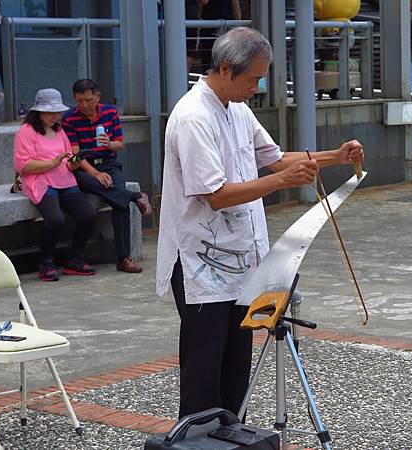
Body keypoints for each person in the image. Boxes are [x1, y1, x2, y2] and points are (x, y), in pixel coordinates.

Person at [156, 27, 364, 419]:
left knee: (237, 366)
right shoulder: (192, 117)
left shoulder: (238, 108)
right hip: (200, 261)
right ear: (224, 68)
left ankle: (232, 433)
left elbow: (277, 158)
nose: (256, 87)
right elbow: (214, 195)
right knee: (204, 367)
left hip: (240, 257)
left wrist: (335, 157)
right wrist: (282, 181)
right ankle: (200, 440)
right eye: (252, 78)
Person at [61, 79, 151, 274]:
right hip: (84, 168)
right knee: (119, 196)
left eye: (88, 99)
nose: (84, 105)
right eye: (79, 101)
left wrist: (109, 144)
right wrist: (95, 173)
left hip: (109, 164)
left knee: (120, 203)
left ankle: (123, 258)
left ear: (97, 97)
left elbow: (120, 144)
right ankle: (134, 196)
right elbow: (74, 154)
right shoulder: (69, 119)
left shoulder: (110, 113)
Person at [13, 88, 97, 282]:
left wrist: (74, 163)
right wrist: (51, 163)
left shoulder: (59, 130)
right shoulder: (25, 132)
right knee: (55, 219)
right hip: (39, 180)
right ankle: (46, 262)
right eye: (50, 113)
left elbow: (67, 160)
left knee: (87, 215)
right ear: (38, 111)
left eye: (57, 112)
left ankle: (75, 258)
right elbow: (23, 166)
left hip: (64, 178)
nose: (55, 116)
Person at [198, 0, 241, 71]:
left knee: (209, 59)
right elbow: (236, 7)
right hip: (224, 25)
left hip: (209, 24)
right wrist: (238, 26)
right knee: (226, 58)